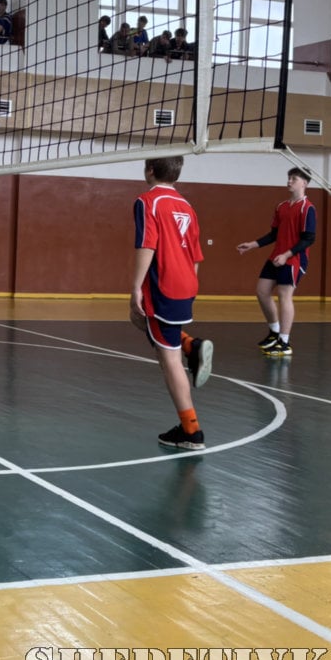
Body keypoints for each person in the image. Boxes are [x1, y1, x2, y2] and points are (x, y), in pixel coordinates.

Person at [130, 155, 213, 450]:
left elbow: (147, 244)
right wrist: (190, 286)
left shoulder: (147, 201)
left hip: (163, 286)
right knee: (139, 320)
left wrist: (136, 286)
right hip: (186, 283)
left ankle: (191, 431)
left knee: (169, 360)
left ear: (150, 170)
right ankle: (190, 345)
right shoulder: (187, 206)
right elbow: (196, 254)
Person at [236, 167, 317, 357]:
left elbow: (309, 239)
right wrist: (253, 244)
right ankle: (274, 332)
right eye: (289, 178)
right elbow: (274, 234)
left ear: (304, 183)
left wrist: (287, 255)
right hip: (276, 256)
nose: (289, 181)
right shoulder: (281, 206)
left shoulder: (308, 208)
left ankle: (284, 342)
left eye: (294, 179)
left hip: (294, 259)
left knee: (284, 295)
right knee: (262, 291)